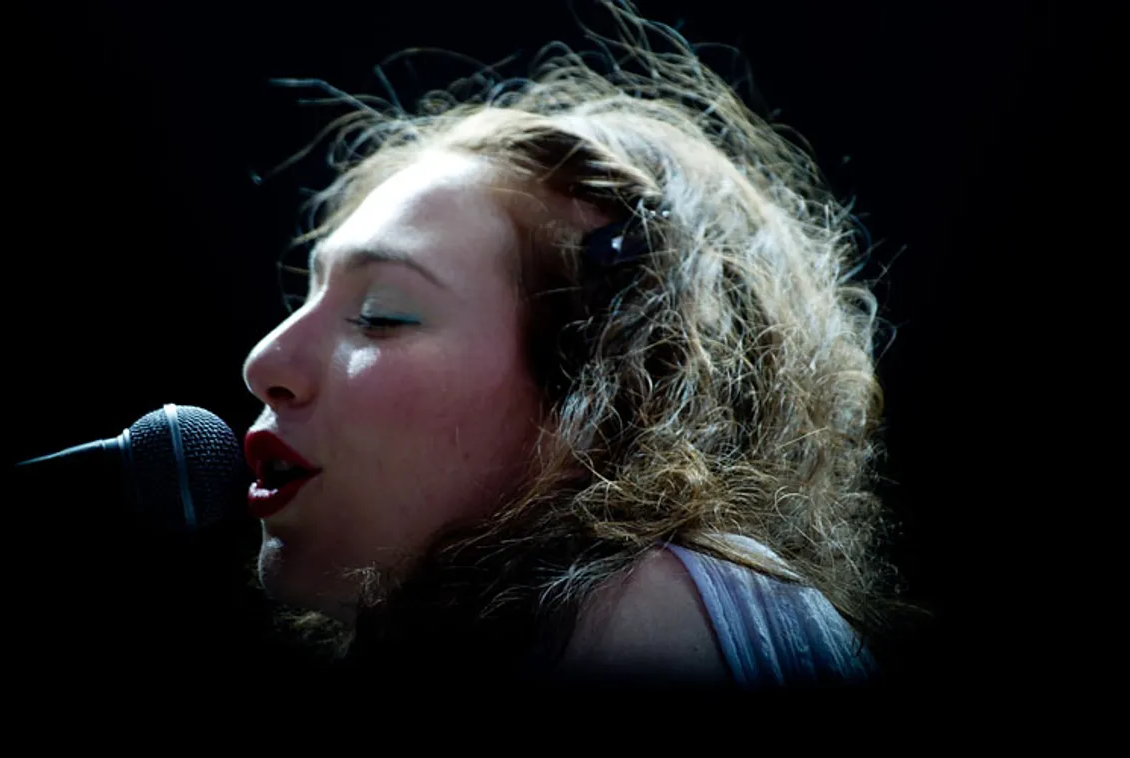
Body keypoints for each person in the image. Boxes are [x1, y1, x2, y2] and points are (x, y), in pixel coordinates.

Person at [241, 0, 898, 690]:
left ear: (600, 383)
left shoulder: (643, 611)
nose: (264, 364)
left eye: (382, 315)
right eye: (306, 298)